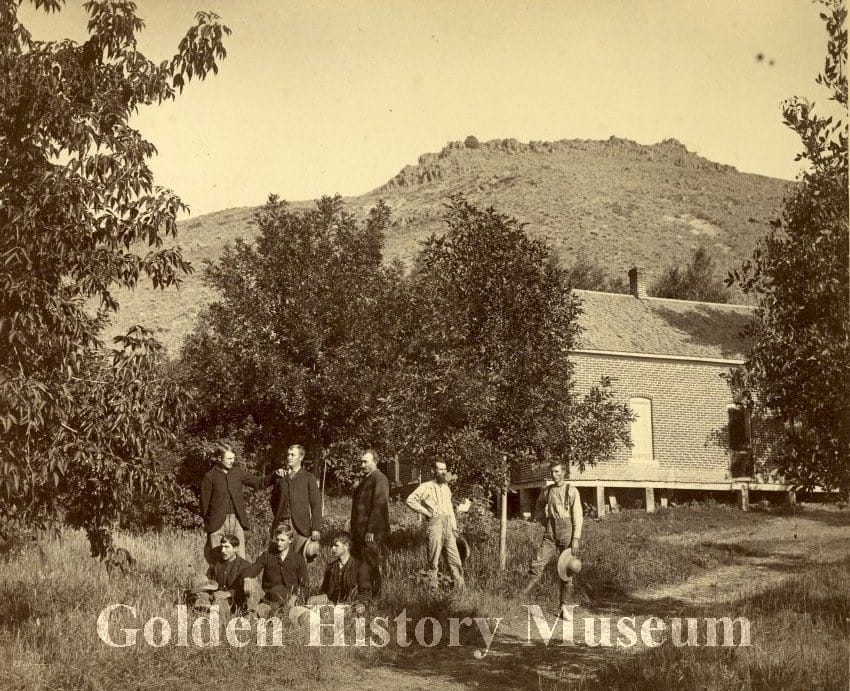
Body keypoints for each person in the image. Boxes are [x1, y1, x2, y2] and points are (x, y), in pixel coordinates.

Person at [521, 461, 584, 615]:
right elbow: (539, 505)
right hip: (551, 531)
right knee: (538, 562)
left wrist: (576, 538)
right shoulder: (547, 490)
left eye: (557, 472)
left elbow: (578, 515)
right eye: (552, 472)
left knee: (566, 568)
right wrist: (543, 520)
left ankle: (564, 606)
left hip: (567, 531)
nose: (554, 475)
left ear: (564, 472)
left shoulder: (572, 490)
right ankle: (520, 599)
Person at [200, 442, 269, 564]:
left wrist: (275, 475)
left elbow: (259, 483)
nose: (232, 461)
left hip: (236, 521)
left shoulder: (237, 473)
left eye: (233, 458)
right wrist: (211, 523)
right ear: (219, 458)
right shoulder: (210, 476)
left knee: (240, 559)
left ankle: (240, 577)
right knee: (217, 560)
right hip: (217, 523)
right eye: (229, 458)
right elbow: (204, 504)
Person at [405, 460, 465, 590]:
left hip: (448, 525)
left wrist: (454, 528)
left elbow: (450, 509)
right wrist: (426, 512)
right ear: (433, 471)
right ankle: (433, 592)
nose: (443, 472)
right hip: (435, 524)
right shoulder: (426, 486)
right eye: (440, 469)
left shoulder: (446, 489)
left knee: (455, 560)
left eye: (445, 469)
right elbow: (410, 500)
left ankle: (460, 591)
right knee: (433, 561)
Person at [270, 444, 322, 558]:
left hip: (301, 527)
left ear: (301, 457)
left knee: (299, 560)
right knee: (278, 558)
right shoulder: (281, 477)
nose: (289, 457)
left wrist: (316, 528)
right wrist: (279, 515)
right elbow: (273, 501)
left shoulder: (309, 478)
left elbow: (316, 504)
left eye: (292, 455)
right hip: (282, 524)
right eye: (288, 455)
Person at [349, 448, 389, 596]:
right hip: (360, 532)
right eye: (361, 462)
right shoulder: (366, 480)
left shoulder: (380, 478)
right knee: (361, 564)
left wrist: (371, 529)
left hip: (371, 533)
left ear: (375, 462)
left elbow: (379, 505)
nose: (362, 465)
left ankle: (372, 597)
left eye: (366, 462)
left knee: (369, 565)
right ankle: (363, 595)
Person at [244, 523, 309, 614]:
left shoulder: (298, 559)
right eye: (277, 540)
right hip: (268, 600)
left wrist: (296, 599)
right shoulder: (267, 555)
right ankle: (252, 613)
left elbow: (304, 584)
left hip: (289, 602)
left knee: (300, 615)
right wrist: (247, 578)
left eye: (282, 540)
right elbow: (255, 567)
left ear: (290, 540)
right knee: (251, 582)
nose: (279, 543)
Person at [191, 533, 252, 612]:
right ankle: (202, 609)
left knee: (218, 605)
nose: (223, 550)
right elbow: (209, 582)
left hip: (234, 602)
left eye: (226, 547)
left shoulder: (245, 565)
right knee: (197, 582)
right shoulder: (215, 565)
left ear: (235, 549)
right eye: (222, 547)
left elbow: (247, 588)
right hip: (215, 598)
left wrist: (229, 593)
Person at [321, 532, 373, 604]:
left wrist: (355, 604)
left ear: (346, 546)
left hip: (351, 606)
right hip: (331, 606)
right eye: (332, 545)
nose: (333, 548)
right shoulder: (330, 568)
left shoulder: (360, 567)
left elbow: (365, 594)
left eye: (336, 545)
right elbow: (324, 591)